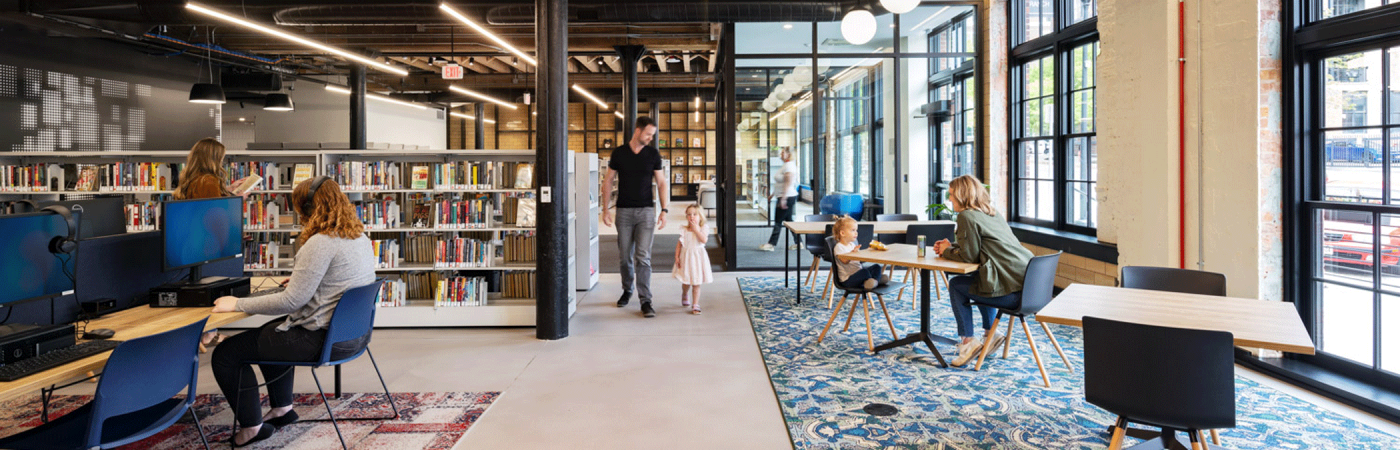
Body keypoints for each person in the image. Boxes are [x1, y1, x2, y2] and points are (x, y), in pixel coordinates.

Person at [209, 177, 375, 447]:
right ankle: (282, 410)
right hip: (354, 336)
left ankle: (251, 428)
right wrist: (304, 281)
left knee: (227, 354)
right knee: (269, 333)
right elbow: (339, 280)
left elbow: (291, 302)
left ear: (308, 207)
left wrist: (237, 304)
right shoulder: (358, 235)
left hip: (321, 340)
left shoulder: (321, 242)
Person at [932, 175, 1032, 367]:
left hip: (1012, 295)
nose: (950, 199)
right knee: (980, 280)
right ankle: (990, 333)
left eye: (952, 195)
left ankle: (968, 342)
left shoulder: (966, 216)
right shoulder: (991, 213)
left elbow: (969, 257)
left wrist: (946, 251)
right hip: (1029, 289)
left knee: (956, 285)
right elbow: (980, 247)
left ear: (962, 196)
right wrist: (951, 246)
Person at [172, 137, 250, 353]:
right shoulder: (208, 181)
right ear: (213, 158)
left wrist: (230, 191)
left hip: (193, 240)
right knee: (211, 284)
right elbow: (216, 213)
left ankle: (208, 334)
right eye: (221, 158)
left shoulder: (194, 179)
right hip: (207, 241)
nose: (223, 162)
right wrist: (238, 199)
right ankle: (206, 334)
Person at [601, 117, 669, 318]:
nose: (650, 138)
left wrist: (664, 210)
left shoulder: (653, 154)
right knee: (624, 258)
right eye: (648, 134)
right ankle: (627, 289)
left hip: (646, 212)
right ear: (637, 131)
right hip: (624, 212)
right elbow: (608, 181)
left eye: (652, 135)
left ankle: (645, 300)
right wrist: (605, 209)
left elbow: (662, 183)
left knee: (643, 257)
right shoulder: (619, 153)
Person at [672, 204, 713, 314]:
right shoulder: (684, 230)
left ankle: (695, 304)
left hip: (698, 259)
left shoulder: (703, 228)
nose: (692, 217)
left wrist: (696, 230)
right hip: (686, 258)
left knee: (696, 282)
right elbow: (679, 244)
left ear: (701, 216)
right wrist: (676, 257)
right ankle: (685, 294)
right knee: (686, 282)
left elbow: (703, 240)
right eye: (689, 214)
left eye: (695, 214)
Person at [831, 215, 889, 290]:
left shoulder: (852, 245)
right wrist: (853, 253)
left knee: (876, 267)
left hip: (858, 273)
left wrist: (868, 252)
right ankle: (876, 280)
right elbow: (844, 261)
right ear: (842, 233)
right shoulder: (839, 247)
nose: (856, 233)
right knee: (864, 272)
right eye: (853, 230)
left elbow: (859, 260)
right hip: (848, 280)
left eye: (856, 230)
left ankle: (874, 281)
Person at [758, 148, 798, 252]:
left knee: (778, 221)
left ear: (789, 154)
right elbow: (780, 183)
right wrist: (773, 194)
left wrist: (783, 198)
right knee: (789, 220)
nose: (781, 154)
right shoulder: (786, 165)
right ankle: (799, 243)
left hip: (787, 197)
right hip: (784, 196)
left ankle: (771, 244)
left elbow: (788, 183)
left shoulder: (789, 166)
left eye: (783, 152)